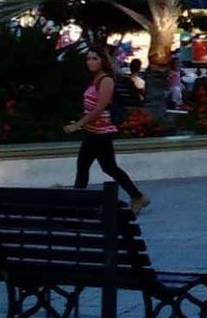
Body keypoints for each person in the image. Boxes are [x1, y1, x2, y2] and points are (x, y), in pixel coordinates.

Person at [64, 48, 149, 215]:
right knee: (104, 167)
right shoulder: (94, 79)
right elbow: (90, 107)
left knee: (93, 167)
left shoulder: (106, 80)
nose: (90, 62)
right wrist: (81, 122)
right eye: (88, 59)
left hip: (101, 131)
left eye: (94, 58)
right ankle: (137, 196)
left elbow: (100, 107)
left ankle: (77, 204)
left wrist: (78, 125)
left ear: (102, 60)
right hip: (92, 130)